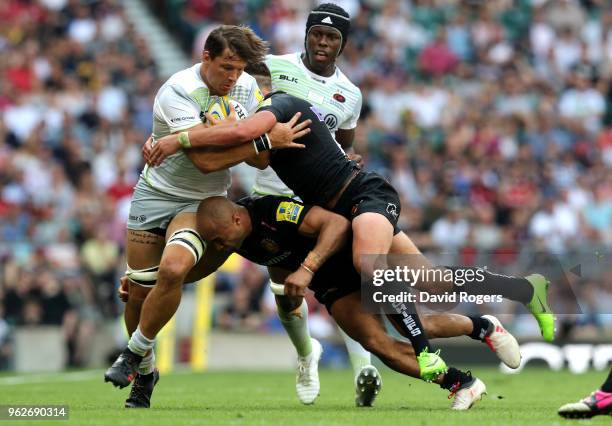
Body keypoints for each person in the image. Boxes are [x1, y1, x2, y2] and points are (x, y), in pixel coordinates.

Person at [103, 25, 310, 408]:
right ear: (206, 58)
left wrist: (245, 138)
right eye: (227, 67)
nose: (233, 77)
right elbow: (204, 159)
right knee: (137, 295)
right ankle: (147, 372)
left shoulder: (248, 87)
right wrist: (253, 137)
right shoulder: (177, 91)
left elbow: (261, 159)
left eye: (239, 68)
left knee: (173, 269)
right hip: (155, 195)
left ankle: (132, 354)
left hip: (202, 203)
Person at [194, 195, 525, 410]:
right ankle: (462, 383)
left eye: (220, 237)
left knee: (418, 322)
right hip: (332, 286)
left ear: (236, 219)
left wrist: (307, 269)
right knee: (380, 346)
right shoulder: (232, 241)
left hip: (358, 259)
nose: (219, 246)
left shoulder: (273, 211)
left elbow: (335, 224)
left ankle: (485, 324)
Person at [254, 3, 377, 407]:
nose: (322, 43)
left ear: (342, 45)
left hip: (319, 199)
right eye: (317, 34)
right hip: (272, 195)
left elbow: (344, 146)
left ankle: (365, 369)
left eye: (332, 38)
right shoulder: (273, 66)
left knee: (341, 285)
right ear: (306, 34)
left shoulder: (350, 94)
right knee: (284, 289)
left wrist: (349, 160)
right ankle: (307, 354)